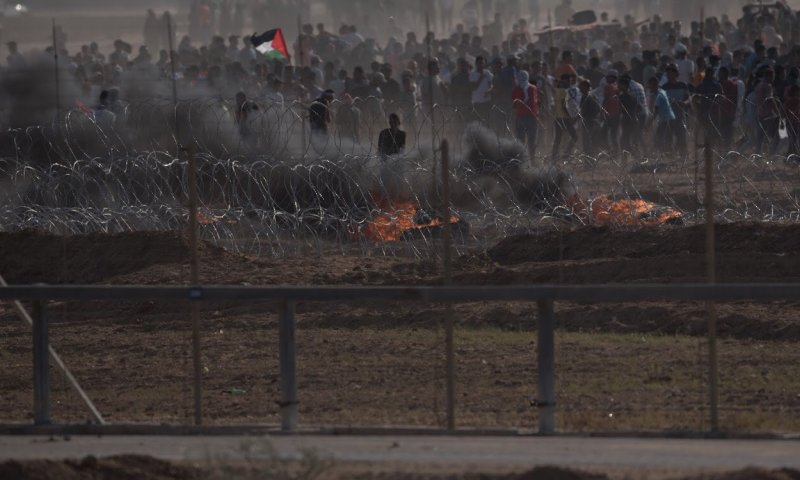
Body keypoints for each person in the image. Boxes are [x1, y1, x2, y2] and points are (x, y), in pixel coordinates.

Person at [511, 70, 539, 159]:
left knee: (520, 140)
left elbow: (514, 105)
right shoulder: (533, 88)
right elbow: (536, 102)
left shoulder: (516, 89)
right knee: (532, 140)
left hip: (520, 117)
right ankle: (532, 159)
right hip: (531, 117)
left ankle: (521, 159)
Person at [646, 77, 676, 153]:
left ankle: (666, 155)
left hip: (667, 119)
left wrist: (648, 124)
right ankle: (667, 154)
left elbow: (656, 113)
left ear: (655, 85)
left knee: (660, 138)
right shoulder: (662, 91)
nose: (649, 88)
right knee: (666, 138)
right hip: (668, 118)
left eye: (650, 86)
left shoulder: (659, 96)